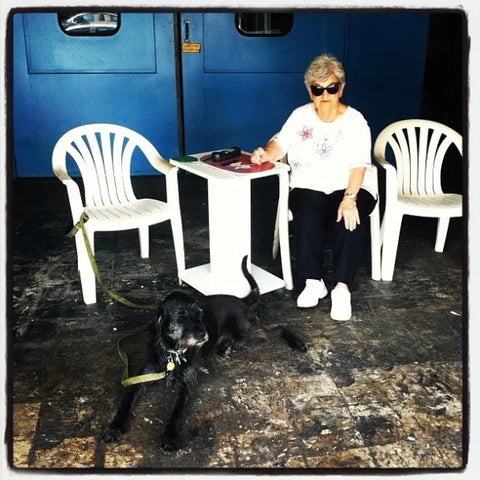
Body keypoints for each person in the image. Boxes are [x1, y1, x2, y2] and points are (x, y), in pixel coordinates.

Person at [251, 53, 377, 321]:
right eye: (318, 89)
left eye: (331, 88)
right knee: (306, 216)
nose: (325, 95)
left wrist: (350, 198)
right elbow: (280, 144)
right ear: (310, 90)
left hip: (351, 185)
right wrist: (266, 153)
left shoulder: (356, 121)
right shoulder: (300, 116)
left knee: (348, 220)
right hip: (310, 183)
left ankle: (342, 288)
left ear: (341, 88)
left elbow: (358, 165)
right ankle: (313, 281)